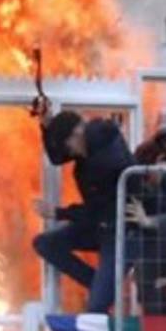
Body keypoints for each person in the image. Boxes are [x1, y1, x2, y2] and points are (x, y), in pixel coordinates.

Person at [33, 109, 136, 313]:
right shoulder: (89, 144)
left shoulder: (106, 161)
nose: (68, 152)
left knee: (96, 306)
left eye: (67, 145)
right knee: (46, 244)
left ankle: (102, 292)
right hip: (103, 225)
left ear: (78, 133)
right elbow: (57, 157)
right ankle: (99, 285)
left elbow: (97, 210)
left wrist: (60, 213)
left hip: (123, 233)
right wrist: (47, 127)